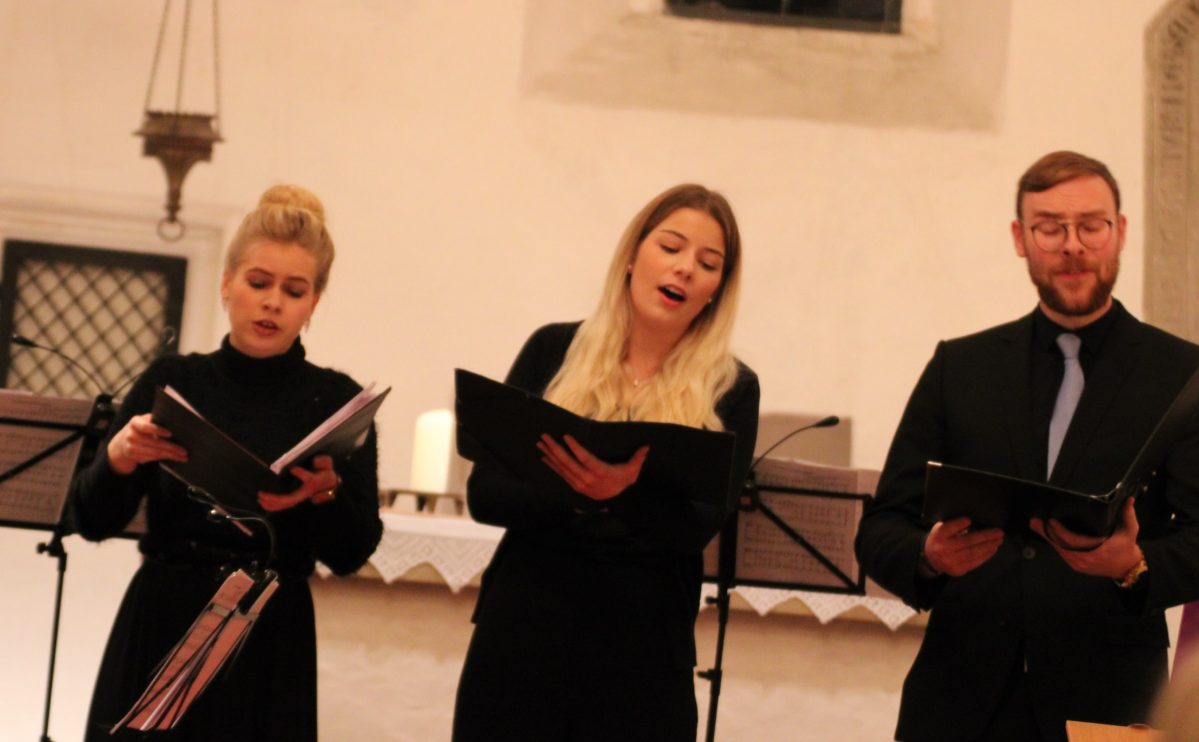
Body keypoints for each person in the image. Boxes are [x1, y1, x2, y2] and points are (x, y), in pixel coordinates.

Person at [854, 151, 1199, 742]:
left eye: (1091, 225)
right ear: (1020, 237)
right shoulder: (961, 367)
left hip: (1110, 697)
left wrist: (1135, 567)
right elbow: (882, 528)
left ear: (1120, 232)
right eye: (1050, 227)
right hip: (960, 698)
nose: (1072, 246)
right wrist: (929, 556)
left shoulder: (1183, 375)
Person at [69, 185, 383, 742]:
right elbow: (93, 519)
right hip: (166, 613)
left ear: (313, 303)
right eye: (258, 283)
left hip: (270, 628)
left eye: (294, 290)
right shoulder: (175, 381)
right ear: (226, 284)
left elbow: (352, 551)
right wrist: (117, 459)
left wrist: (323, 496)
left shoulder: (337, 402)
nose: (272, 302)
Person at [452, 183, 760, 742]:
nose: (686, 268)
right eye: (671, 247)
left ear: (717, 288)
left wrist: (622, 493)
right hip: (525, 626)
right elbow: (485, 495)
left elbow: (698, 525)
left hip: (641, 646)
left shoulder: (731, 388)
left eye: (708, 262)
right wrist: (582, 491)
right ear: (632, 255)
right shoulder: (553, 348)